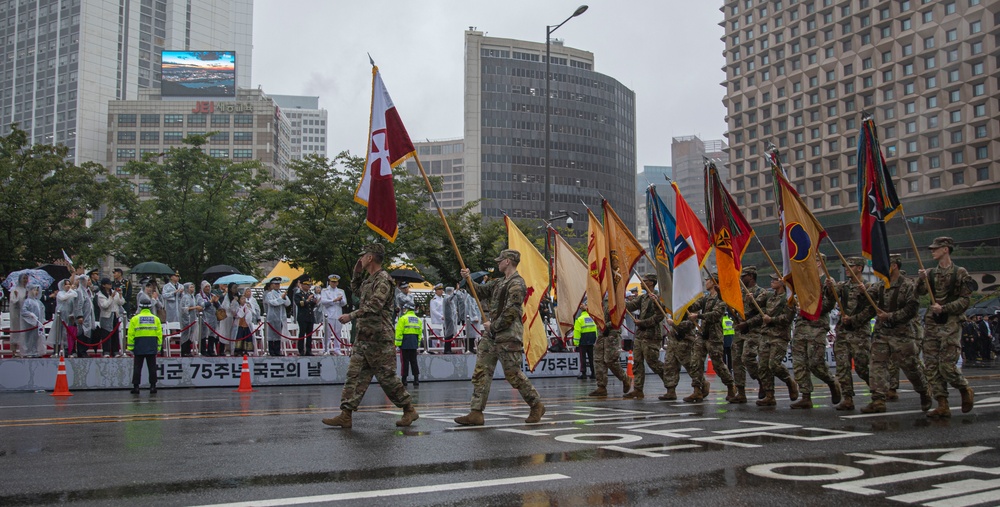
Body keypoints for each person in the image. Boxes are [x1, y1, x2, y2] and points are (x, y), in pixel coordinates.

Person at [322, 243, 418, 428]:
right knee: (354, 376)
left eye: (363, 255)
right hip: (364, 337)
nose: (361, 258)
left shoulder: (383, 280)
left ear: (370, 258)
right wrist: (356, 273)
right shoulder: (369, 280)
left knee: (387, 378)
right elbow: (358, 292)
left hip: (379, 338)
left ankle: (409, 409)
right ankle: (346, 414)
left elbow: (375, 305)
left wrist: (351, 315)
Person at [454, 249, 544, 426]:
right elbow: (479, 292)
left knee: (513, 374)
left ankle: (536, 404)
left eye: (500, 260)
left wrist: (493, 326)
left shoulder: (517, 284)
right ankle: (476, 412)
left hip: (508, 335)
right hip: (492, 335)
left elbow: (512, 311)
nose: (498, 263)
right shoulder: (499, 282)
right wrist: (468, 279)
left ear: (508, 261)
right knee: (481, 371)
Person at [863, 254, 932, 413]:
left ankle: (924, 391)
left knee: (910, 366)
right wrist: (863, 290)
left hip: (902, 333)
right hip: (882, 333)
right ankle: (878, 399)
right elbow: (867, 299)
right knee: (877, 364)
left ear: (894, 266)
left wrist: (890, 316)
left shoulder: (908, 285)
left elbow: (911, 309)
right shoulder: (880, 286)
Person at [917, 236, 974, 418]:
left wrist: (945, 308)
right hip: (933, 324)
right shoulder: (931, 273)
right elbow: (919, 292)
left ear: (946, 249)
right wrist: (921, 280)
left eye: (936, 248)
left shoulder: (960, 273)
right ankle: (942, 404)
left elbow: (965, 300)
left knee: (946, 366)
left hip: (950, 323)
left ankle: (964, 388)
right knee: (931, 366)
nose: (932, 251)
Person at [789, 254, 841, 409]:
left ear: (820, 263)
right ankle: (806, 396)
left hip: (817, 326)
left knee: (815, 363)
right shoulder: (803, 282)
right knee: (799, 363)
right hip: (801, 326)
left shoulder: (827, 283)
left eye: (813, 260)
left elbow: (828, 305)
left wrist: (809, 305)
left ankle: (832, 382)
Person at [831, 257, 876, 410]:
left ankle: (878, 393)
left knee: (862, 367)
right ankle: (847, 398)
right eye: (846, 266)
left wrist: (854, 319)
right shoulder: (843, 286)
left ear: (859, 268)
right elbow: (829, 294)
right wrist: (828, 284)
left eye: (850, 266)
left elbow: (872, 309)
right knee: (842, 366)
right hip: (843, 331)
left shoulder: (869, 287)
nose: (846, 268)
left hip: (859, 332)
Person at [748, 273, 800, 406]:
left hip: (779, 336)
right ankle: (769, 395)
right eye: (771, 279)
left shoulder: (788, 299)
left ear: (783, 282)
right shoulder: (769, 295)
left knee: (774, 365)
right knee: (763, 367)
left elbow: (788, 318)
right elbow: (755, 305)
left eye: (775, 279)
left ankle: (789, 381)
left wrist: (772, 320)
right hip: (765, 335)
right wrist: (751, 299)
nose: (772, 281)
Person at [686, 274, 738, 402]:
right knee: (695, 362)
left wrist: (698, 316)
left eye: (708, 280)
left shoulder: (721, 299)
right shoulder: (705, 298)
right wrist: (683, 301)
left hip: (714, 336)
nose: (706, 282)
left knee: (718, 365)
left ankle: (731, 385)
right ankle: (697, 390)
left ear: (715, 282)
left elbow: (715, 315)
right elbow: (692, 306)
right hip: (702, 335)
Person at [623, 274, 669, 400]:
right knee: (637, 363)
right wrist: (618, 299)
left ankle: (670, 385)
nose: (641, 282)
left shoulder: (658, 298)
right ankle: (638, 389)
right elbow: (630, 306)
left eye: (644, 280)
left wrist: (642, 323)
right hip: (640, 335)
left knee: (653, 362)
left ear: (651, 283)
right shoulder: (643, 298)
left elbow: (659, 316)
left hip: (652, 335)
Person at [732, 266, 765, 403]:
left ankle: (763, 381)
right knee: (736, 361)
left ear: (751, 276)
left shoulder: (761, 292)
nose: (741, 278)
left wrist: (748, 323)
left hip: (753, 331)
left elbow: (761, 314)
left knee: (748, 358)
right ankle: (740, 392)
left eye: (744, 276)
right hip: (740, 331)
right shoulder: (739, 292)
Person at [589, 299, 631, 397]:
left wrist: (604, 326)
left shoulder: (614, 299)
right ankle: (601, 386)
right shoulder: (597, 300)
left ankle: (625, 378)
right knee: (598, 360)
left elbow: (618, 318)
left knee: (610, 360)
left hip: (612, 334)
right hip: (601, 334)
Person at [127, 295, 163, 394]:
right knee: (152, 367)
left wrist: (130, 347)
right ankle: (153, 386)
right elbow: (159, 334)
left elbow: (130, 334)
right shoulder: (156, 319)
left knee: (138, 367)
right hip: (151, 343)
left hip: (139, 344)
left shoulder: (135, 319)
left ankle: (136, 387)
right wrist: (159, 346)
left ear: (140, 306)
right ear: (150, 307)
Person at [96, 278, 126, 357]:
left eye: (110, 283)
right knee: (106, 334)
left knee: (115, 334)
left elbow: (121, 302)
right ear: (103, 285)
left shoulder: (113, 292)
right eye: (108, 284)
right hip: (106, 316)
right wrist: (111, 297)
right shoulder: (100, 295)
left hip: (115, 315)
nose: (110, 285)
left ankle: (115, 351)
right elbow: (104, 305)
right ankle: (106, 351)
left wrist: (120, 294)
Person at [395, 301, 422, 386]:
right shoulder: (418, 319)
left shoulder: (403, 318)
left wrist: (398, 344)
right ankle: (416, 379)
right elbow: (420, 333)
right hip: (414, 342)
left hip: (405, 342)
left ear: (406, 309)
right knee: (414, 361)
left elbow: (399, 331)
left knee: (405, 362)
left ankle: (404, 380)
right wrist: (417, 344)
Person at [320, 274, 348, 355]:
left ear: (337, 283)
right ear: (329, 282)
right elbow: (323, 301)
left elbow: (344, 303)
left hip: (338, 314)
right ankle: (326, 348)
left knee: (338, 332)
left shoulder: (341, 291)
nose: (333, 283)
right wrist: (334, 300)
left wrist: (341, 300)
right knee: (327, 332)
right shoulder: (325, 291)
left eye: (335, 282)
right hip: (328, 314)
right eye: (332, 282)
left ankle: (337, 348)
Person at [263, 277, 291, 356]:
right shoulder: (269, 294)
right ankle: (271, 351)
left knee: (279, 334)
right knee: (272, 335)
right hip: (272, 317)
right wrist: (281, 298)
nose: (277, 285)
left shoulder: (281, 293)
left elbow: (288, 303)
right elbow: (273, 303)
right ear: (271, 285)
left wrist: (284, 297)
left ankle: (277, 351)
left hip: (281, 317)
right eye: (275, 284)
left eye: (278, 284)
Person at [51, 279, 77, 357]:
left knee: (67, 334)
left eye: (69, 284)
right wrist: (70, 291)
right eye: (66, 284)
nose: (68, 286)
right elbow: (63, 298)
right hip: (60, 316)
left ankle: (68, 351)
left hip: (68, 317)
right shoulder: (60, 293)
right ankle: (56, 351)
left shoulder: (72, 292)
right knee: (58, 333)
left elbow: (75, 296)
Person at [19, 283, 46, 357]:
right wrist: (30, 314)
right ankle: (29, 352)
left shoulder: (38, 302)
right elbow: (23, 311)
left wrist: (42, 320)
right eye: (34, 290)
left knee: (37, 338)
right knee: (30, 338)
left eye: (37, 290)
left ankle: (37, 351)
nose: (36, 292)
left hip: (38, 324)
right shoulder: (27, 301)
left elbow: (42, 312)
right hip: (30, 324)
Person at [573, 303, 598, 380]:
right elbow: (595, 329)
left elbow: (577, 331)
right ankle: (593, 373)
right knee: (592, 357)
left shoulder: (579, 319)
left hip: (583, 340)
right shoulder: (592, 318)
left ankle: (583, 373)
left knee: (583, 357)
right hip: (592, 340)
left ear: (581, 311)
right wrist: (596, 340)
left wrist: (576, 342)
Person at [73, 274, 96, 357]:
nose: (90, 282)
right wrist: (79, 316)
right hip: (83, 316)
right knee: (82, 333)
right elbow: (78, 305)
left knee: (87, 333)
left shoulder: (88, 291)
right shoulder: (79, 291)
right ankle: (81, 351)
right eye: (88, 280)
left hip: (88, 316)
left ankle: (84, 350)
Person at [9, 272, 30, 357]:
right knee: (15, 331)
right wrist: (17, 296)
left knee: (25, 332)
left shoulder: (28, 289)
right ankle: (14, 351)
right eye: (24, 278)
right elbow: (13, 301)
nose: (25, 280)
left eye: (26, 278)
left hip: (24, 314)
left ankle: (24, 350)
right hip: (16, 314)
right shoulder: (15, 289)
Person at [295, 279, 317, 356]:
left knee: (309, 334)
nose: (308, 286)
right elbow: (300, 304)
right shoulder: (298, 294)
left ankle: (308, 350)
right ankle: (301, 350)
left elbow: (312, 304)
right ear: (302, 285)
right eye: (307, 285)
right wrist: (307, 300)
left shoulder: (310, 294)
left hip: (310, 317)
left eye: (309, 285)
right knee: (302, 334)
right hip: (302, 317)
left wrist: (314, 302)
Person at [233, 292, 257, 356]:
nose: (244, 300)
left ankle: (246, 351)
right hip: (239, 324)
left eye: (244, 298)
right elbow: (239, 315)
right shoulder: (238, 307)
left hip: (247, 325)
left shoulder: (248, 306)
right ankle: (238, 351)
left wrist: (248, 308)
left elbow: (252, 313)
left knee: (247, 337)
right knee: (239, 336)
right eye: (242, 299)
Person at [179, 283, 199, 356]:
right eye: (191, 287)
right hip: (186, 319)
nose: (192, 288)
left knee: (191, 334)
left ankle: (188, 350)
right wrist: (195, 307)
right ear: (187, 288)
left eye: (193, 287)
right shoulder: (185, 297)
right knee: (185, 334)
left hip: (192, 318)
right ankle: (184, 351)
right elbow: (184, 308)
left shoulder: (192, 297)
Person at [442, 286, 459, 354]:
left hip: (452, 318)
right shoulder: (446, 297)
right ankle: (447, 349)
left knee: (450, 333)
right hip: (449, 318)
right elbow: (450, 298)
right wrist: (455, 291)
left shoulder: (448, 298)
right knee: (448, 334)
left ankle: (449, 349)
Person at [429, 283, 445, 350]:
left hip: (443, 321)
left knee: (443, 336)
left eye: (442, 289)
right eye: (439, 289)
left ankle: (443, 348)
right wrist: (441, 316)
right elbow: (433, 310)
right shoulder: (433, 300)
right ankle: (434, 349)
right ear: (436, 291)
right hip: (436, 321)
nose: (441, 291)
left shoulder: (443, 299)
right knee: (436, 336)